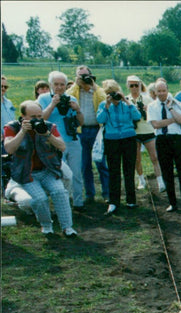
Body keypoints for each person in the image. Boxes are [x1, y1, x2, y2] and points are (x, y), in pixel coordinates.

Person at [3, 100, 77, 236]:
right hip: (27, 173)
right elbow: (9, 149)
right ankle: (46, 225)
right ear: (23, 117)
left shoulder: (48, 126)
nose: (37, 120)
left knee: (60, 192)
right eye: (33, 117)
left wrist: (47, 134)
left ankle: (67, 227)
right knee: (40, 199)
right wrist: (22, 132)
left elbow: (62, 146)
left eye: (39, 116)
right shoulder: (12, 127)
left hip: (47, 171)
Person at [38, 70, 84, 209]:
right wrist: (52, 104)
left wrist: (78, 110)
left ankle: (78, 202)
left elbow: (81, 122)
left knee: (76, 173)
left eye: (62, 84)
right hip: (54, 142)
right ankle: (62, 202)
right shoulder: (43, 98)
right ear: (51, 85)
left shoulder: (71, 98)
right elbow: (41, 119)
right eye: (56, 84)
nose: (59, 87)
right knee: (60, 174)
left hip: (72, 140)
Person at [148, 80, 181, 214]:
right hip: (162, 140)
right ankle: (172, 203)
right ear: (155, 92)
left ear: (167, 90)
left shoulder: (176, 103)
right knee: (167, 172)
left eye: (164, 90)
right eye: (159, 91)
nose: (162, 93)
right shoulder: (152, 106)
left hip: (177, 139)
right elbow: (156, 124)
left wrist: (170, 109)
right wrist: (173, 120)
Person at [66, 65, 110, 203]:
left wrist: (93, 86)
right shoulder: (74, 91)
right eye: (81, 75)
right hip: (81, 130)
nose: (84, 78)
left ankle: (107, 193)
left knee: (101, 162)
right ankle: (90, 194)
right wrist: (76, 84)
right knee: (85, 165)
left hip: (96, 129)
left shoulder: (97, 90)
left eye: (86, 75)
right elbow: (67, 96)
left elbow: (104, 99)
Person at [96, 79, 141, 215]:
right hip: (112, 140)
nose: (113, 96)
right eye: (110, 93)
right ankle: (114, 202)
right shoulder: (104, 105)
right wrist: (107, 105)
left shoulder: (127, 104)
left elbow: (137, 116)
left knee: (129, 170)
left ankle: (131, 200)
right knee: (114, 171)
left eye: (115, 92)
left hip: (128, 139)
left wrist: (126, 101)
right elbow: (100, 120)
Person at [127, 76, 166, 193]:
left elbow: (156, 111)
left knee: (155, 157)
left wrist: (147, 109)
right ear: (128, 86)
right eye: (132, 85)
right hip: (134, 132)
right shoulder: (126, 99)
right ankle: (141, 180)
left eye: (136, 85)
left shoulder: (147, 99)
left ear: (140, 85)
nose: (134, 88)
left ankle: (160, 181)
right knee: (137, 159)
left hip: (148, 131)